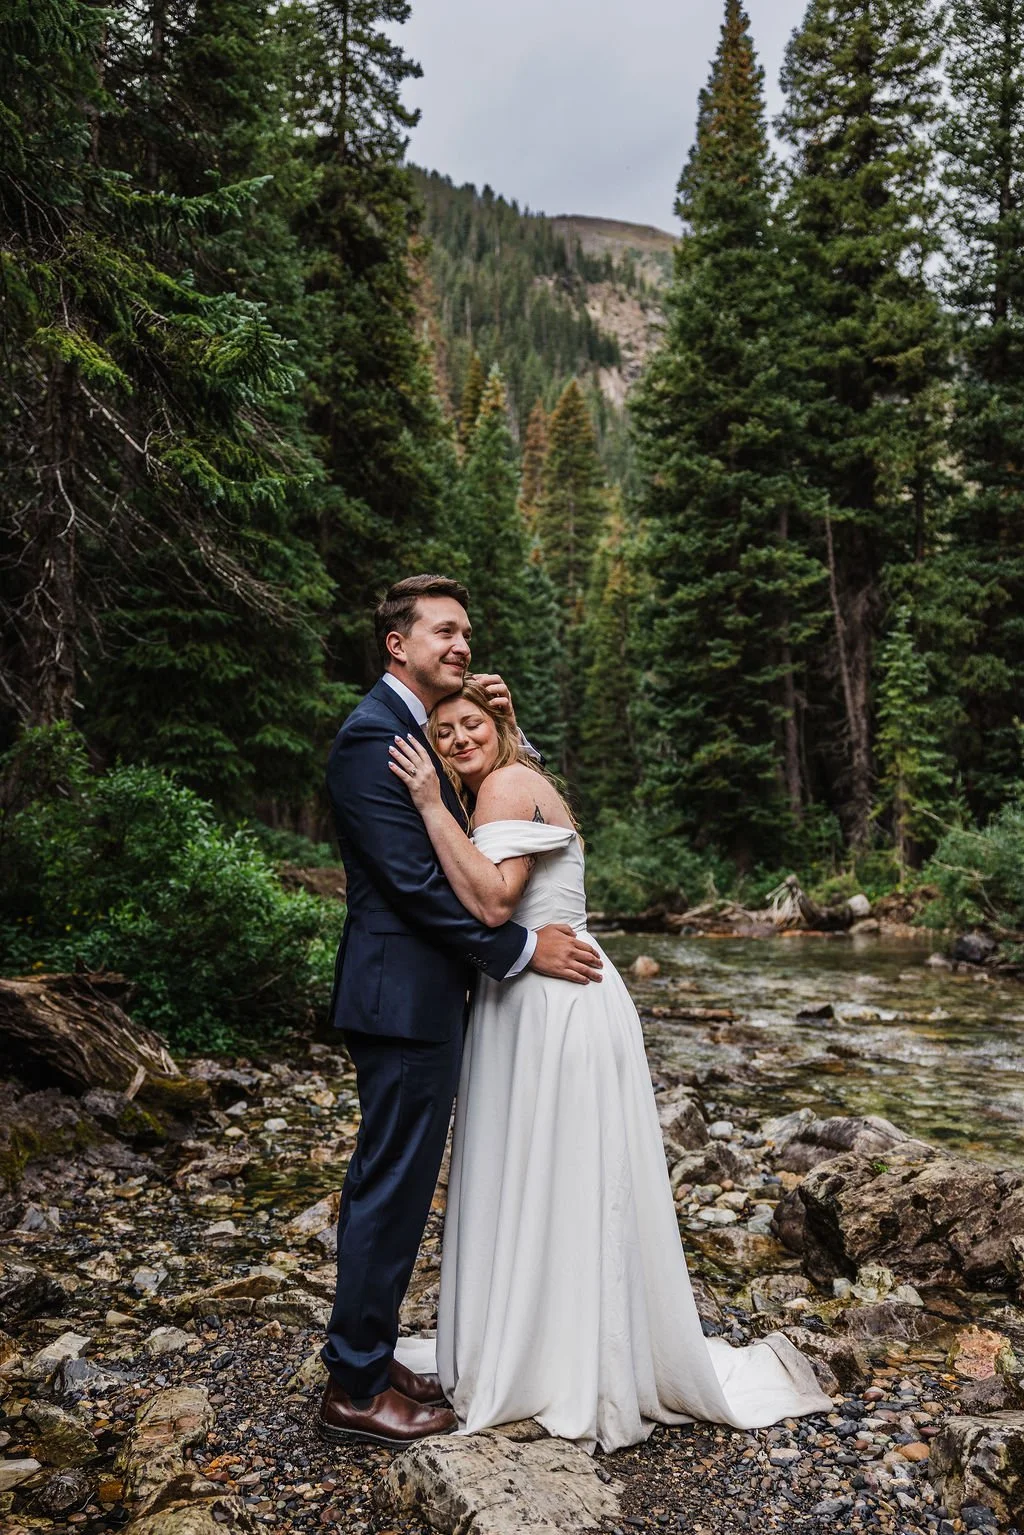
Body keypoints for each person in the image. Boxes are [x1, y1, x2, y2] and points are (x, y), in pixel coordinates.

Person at [386, 679, 833, 1454]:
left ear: (497, 726)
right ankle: (565, 1341)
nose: (457, 739)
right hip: (545, 999)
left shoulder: (503, 786)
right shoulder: (513, 780)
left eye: (470, 724)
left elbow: (494, 904)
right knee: (560, 1173)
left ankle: (554, 1357)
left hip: (551, 1004)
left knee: (550, 1169)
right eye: (442, 731)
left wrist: (428, 801)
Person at [318, 575, 602, 1449]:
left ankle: (366, 1356)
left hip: (424, 996)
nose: (463, 645)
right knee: (391, 1186)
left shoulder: (423, 731)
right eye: (445, 631)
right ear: (397, 644)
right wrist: (519, 951)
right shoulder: (373, 738)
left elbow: (508, 811)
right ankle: (354, 1387)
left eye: (467, 632)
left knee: (399, 1183)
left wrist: (506, 725)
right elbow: (415, 886)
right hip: (400, 997)